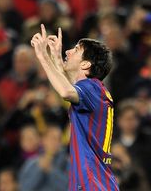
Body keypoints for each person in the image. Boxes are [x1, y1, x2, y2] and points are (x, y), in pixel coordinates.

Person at [30, 24, 119, 190]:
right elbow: (68, 86)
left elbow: (65, 91)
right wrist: (56, 58)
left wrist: (43, 56)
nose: (67, 51)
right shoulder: (93, 92)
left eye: (76, 50)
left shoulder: (93, 87)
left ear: (85, 64)